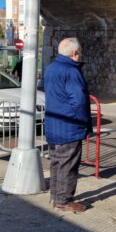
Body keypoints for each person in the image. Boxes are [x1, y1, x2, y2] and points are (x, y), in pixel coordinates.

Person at [44, 38, 92, 213]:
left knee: (56, 162)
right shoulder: (71, 71)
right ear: (75, 53)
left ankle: (55, 197)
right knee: (68, 165)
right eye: (79, 52)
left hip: (53, 124)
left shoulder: (51, 68)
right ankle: (64, 200)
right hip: (69, 126)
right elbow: (78, 101)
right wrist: (84, 122)